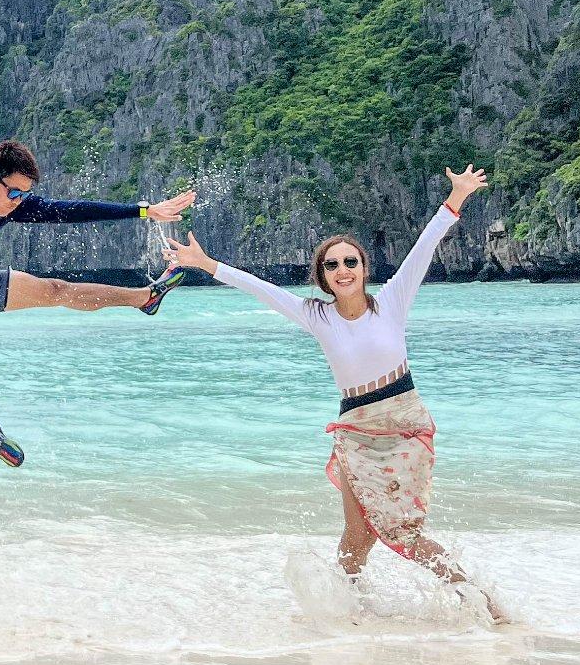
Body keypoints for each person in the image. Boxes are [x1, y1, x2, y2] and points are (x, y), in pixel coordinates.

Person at [163, 166, 508, 623]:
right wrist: (207, 264)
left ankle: (479, 600)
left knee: (402, 531)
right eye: (332, 265)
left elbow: (425, 247)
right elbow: (262, 290)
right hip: (355, 430)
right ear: (323, 277)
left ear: (363, 268)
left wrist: (457, 197)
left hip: (403, 426)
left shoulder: (392, 301)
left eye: (350, 262)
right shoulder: (316, 316)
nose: (343, 270)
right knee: (357, 535)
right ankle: (346, 613)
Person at [0, 141, 195, 466]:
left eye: (24, 195)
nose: (18, 202)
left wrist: (143, 211)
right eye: (14, 192)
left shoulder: (13, 207)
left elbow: (74, 211)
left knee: (57, 289)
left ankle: (145, 297)